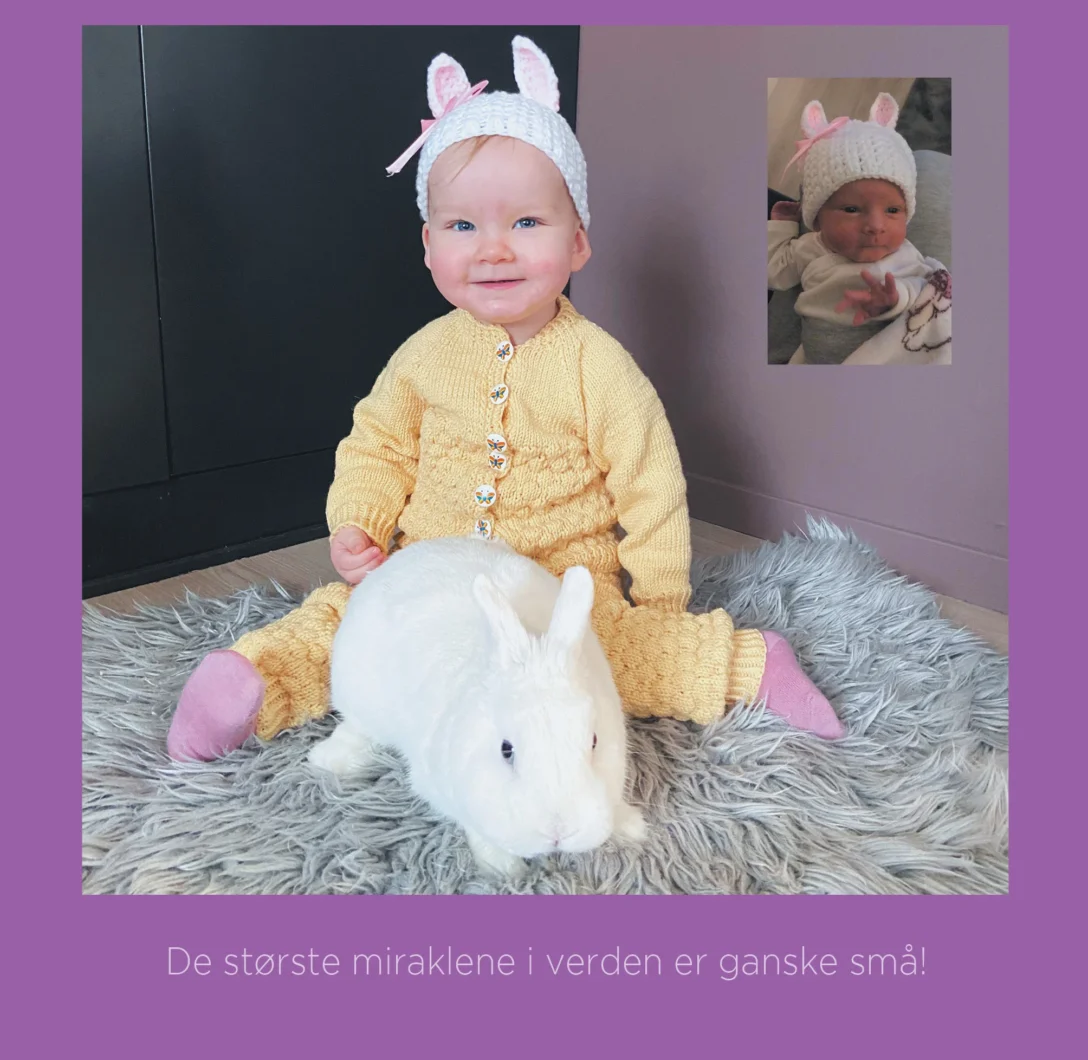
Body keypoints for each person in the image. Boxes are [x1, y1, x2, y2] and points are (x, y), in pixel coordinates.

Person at [168, 37, 845, 761]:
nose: (493, 249)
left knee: (607, 659)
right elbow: (377, 445)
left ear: (577, 242)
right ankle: (251, 684)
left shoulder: (598, 367)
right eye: (463, 226)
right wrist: (359, 522)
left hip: (556, 592)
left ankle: (746, 664)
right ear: (429, 246)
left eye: (526, 223)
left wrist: (659, 607)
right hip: (430, 576)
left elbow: (651, 486)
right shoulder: (424, 356)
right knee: (350, 624)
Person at [768, 94, 952, 365]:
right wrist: (782, 225)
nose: (876, 226)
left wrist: (894, 299)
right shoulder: (811, 247)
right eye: (852, 209)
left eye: (893, 211)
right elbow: (774, 272)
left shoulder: (904, 254)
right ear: (816, 219)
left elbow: (924, 291)